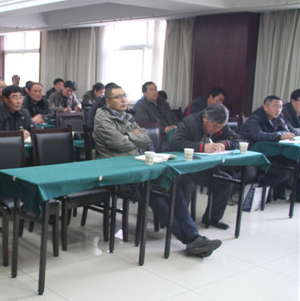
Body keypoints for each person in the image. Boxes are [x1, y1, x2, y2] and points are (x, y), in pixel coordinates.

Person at [93, 83, 221, 257]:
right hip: (117, 170)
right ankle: (191, 240)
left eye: (124, 95)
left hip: (138, 166)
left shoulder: (127, 116)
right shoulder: (102, 117)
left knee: (173, 189)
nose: (123, 100)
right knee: (154, 194)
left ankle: (193, 238)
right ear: (108, 101)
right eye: (118, 97)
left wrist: (129, 137)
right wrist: (134, 137)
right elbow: (119, 143)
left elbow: (146, 138)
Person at [170, 103, 241, 229]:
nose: (217, 130)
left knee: (225, 181)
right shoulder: (189, 123)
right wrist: (202, 147)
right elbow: (175, 143)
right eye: (215, 126)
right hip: (183, 168)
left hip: (204, 167)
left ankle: (212, 218)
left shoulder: (220, 124)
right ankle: (180, 221)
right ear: (205, 119)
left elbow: (238, 140)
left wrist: (224, 144)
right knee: (187, 183)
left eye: (220, 127)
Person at [240, 95, 298, 201]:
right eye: (275, 106)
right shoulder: (256, 118)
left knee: (291, 166)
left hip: (269, 152)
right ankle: (257, 188)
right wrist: (279, 136)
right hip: (251, 150)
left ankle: (263, 191)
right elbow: (257, 136)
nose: (278, 110)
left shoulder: (279, 117)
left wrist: (284, 134)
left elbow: (288, 131)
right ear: (265, 107)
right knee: (282, 171)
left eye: (280, 107)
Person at [134, 81, 179, 152]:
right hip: (158, 137)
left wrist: (176, 125)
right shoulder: (142, 106)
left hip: (173, 132)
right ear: (144, 93)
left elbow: (172, 117)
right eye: (151, 90)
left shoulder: (163, 103)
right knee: (170, 146)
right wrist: (164, 129)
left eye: (155, 89)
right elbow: (145, 126)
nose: (154, 92)